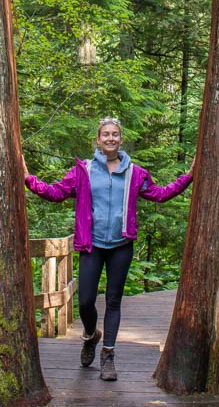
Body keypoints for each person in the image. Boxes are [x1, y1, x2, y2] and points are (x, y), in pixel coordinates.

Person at [22, 117, 194, 381]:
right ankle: (91, 335)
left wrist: (189, 176)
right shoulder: (84, 171)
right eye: (106, 134)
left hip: (121, 246)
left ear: (121, 139)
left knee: (114, 301)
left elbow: (160, 193)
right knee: (86, 301)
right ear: (98, 139)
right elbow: (55, 192)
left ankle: (108, 356)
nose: (111, 138)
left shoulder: (135, 173)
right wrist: (27, 178)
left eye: (115, 134)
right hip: (92, 245)